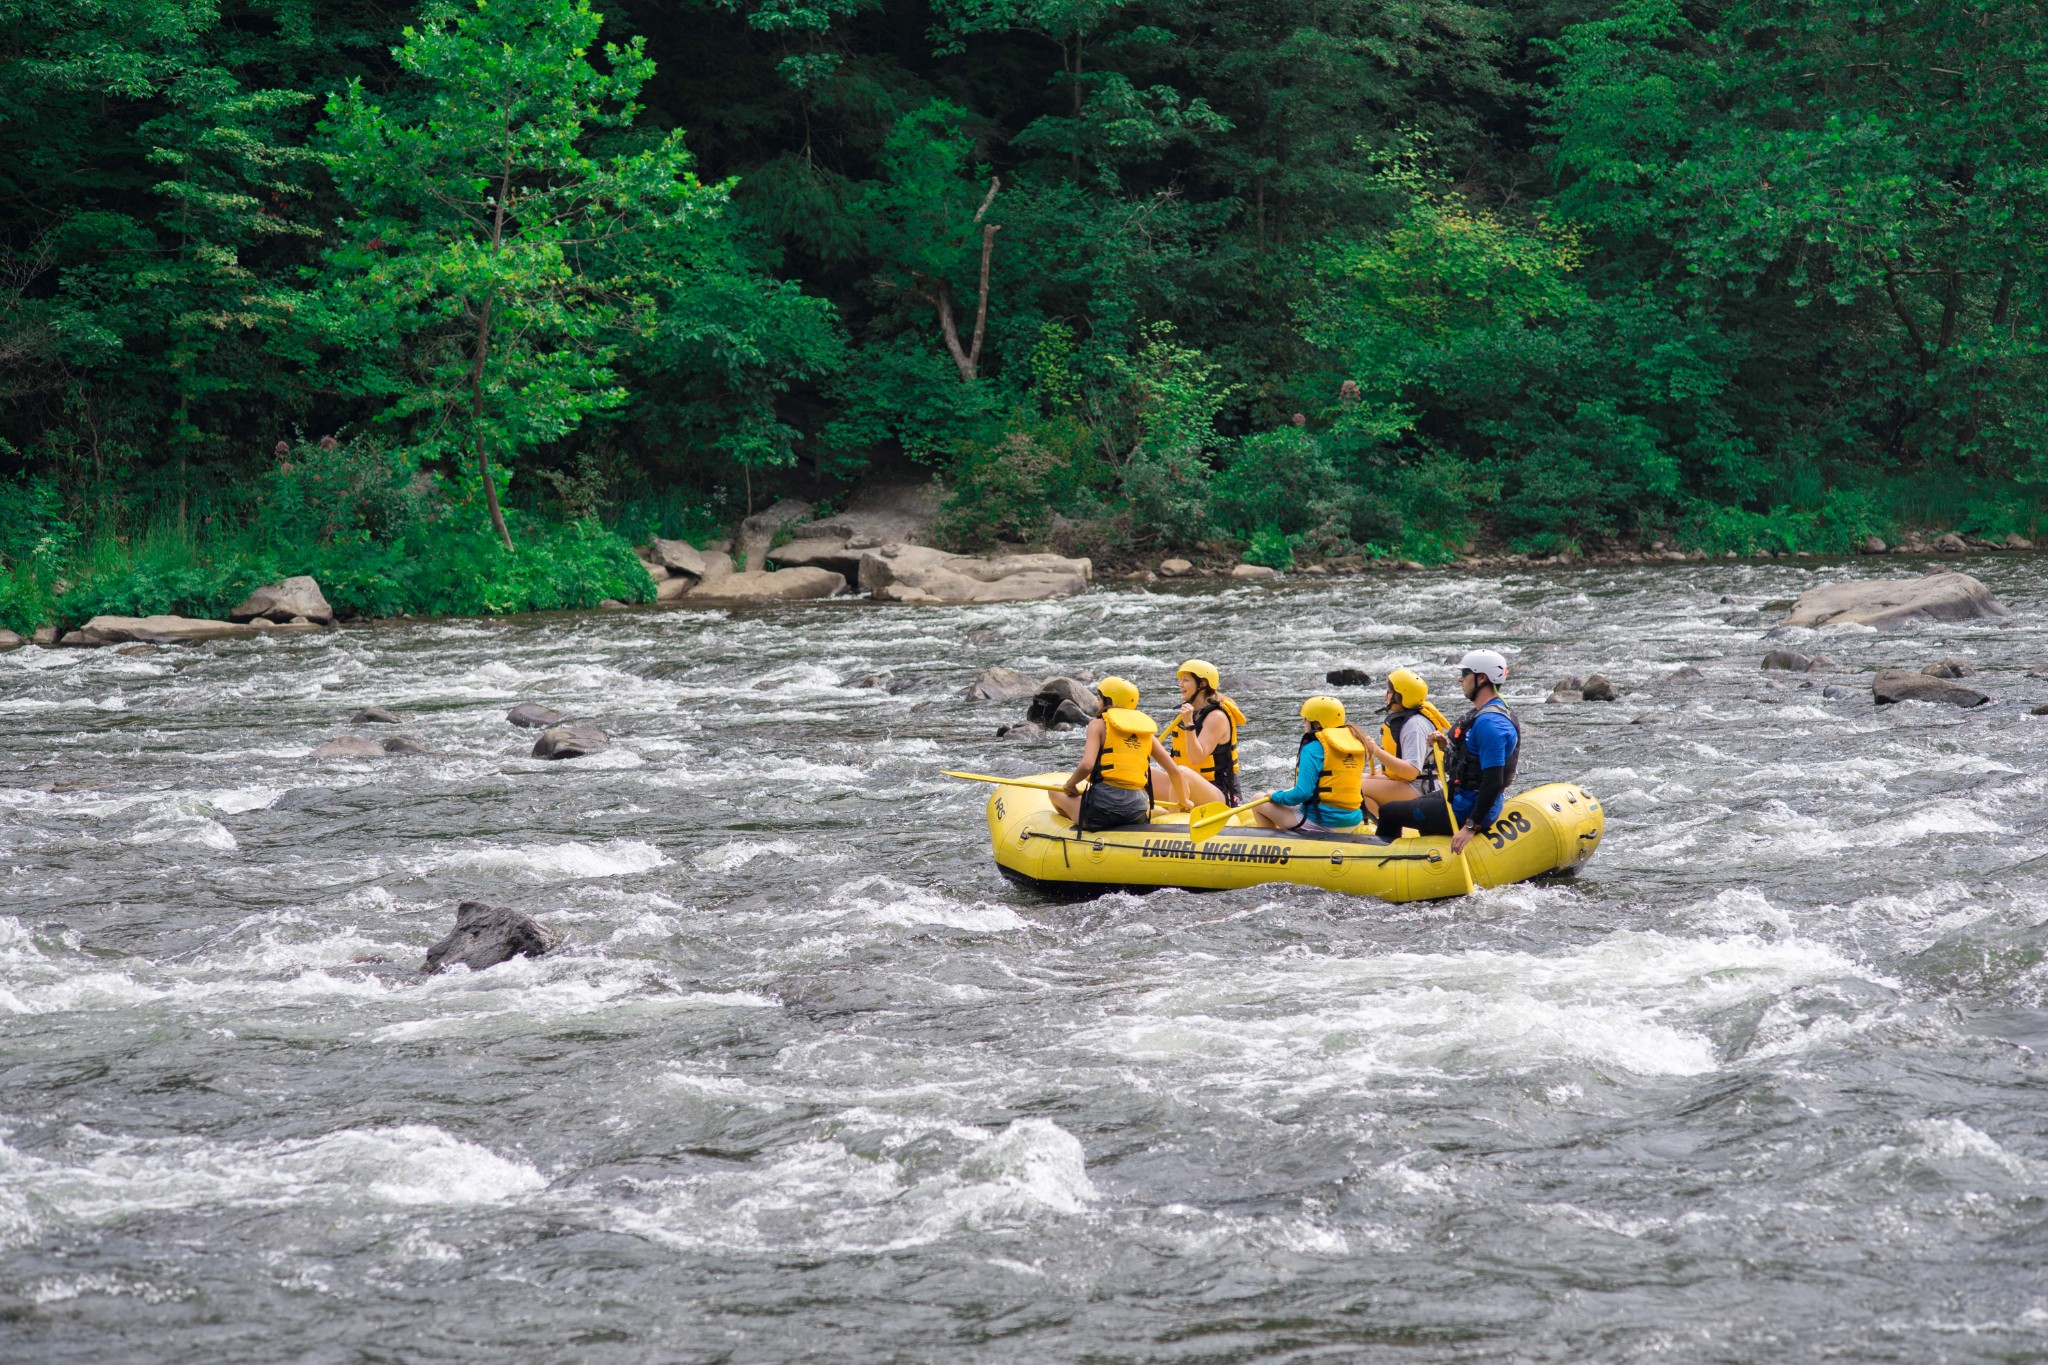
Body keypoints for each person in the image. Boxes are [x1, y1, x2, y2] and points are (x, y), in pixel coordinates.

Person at [1374, 649, 1521, 855]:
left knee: (1388, 812)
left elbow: (1493, 781)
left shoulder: (1491, 724)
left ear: (1481, 678)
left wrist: (1470, 827)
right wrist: (1445, 745)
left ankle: (1385, 864)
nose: (1460, 680)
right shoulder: (1488, 711)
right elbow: (1472, 759)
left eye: (1465, 674)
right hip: (1460, 796)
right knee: (1412, 805)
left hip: (1466, 809)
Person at [1052, 676, 1186, 832]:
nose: (1097, 701)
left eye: (1100, 697)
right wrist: (1184, 800)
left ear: (1108, 701)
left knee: (1055, 790)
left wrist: (1070, 785)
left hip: (1103, 811)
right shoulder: (1146, 733)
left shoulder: (1098, 724)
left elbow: (1087, 765)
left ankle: (1077, 833)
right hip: (1137, 811)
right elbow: (1174, 771)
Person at [1251, 695, 1367, 833]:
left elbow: (1301, 794)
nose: (1303, 722)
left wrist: (1273, 795)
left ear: (1317, 724)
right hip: (1353, 819)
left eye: (1306, 719)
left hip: (1322, 822)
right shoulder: (1356, 744)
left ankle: (1273, 847)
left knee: (1257, 799)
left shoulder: (1313, 748)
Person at [1356, 667, 1452, 816]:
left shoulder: (1415, 725)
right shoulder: (1409, 719)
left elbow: (1410, 772)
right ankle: (1381, 824)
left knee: (1355, 787)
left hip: (1422, 789)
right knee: (1351, 778)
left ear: (1401, 697)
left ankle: (1380, 832)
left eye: (1389, 692)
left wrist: (1376, 751)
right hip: (1412, 784)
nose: (1385, 697)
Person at [1157, 658, 1245, 808]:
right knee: (1142, 771)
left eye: (1186, 680)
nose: (1180, 685)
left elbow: (1196, 757)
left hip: (1219, 792)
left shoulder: (1217, 717)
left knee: (1182, 773)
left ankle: (1173, 820)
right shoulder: (1191, 712)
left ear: (1202, 684)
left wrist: (1189, 725)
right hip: (1188, 787)